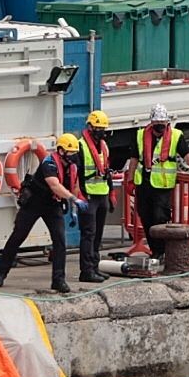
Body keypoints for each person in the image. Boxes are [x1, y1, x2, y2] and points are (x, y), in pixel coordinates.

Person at [0, 134, 87, 294]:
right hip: (34, 203)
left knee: (59, 240)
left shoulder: (73, 166)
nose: (74, 156)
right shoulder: (48, 162)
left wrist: (74, 208)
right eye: (71, 152)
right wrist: (73, 199)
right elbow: (55, 185)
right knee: (18, 236)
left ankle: (58, 280)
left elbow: (74, 185)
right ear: (61, 151)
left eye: (75, 152)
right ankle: (1, 272)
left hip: (53, 204)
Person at [130, 103, 189, 259]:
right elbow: (134, 158)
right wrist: (130, 179)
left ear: (167, 123)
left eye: (162, 124)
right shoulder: (140, 135)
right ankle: (155, 251)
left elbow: (186, 154)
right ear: (151, 123)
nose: (160, 127)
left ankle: (162, 251)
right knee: (145, 216)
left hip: (163, 185)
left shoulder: (176, 136)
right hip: (144, 183)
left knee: (160, 217)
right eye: (157, 124)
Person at [76, 110, 113, 285]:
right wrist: (81, 195)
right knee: (88, 234)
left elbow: (107, 171)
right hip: (88, 195)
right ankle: (86, 270)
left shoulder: (104, 146)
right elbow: (76, 174)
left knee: (97, 234)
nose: (100, 131)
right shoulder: (81, 146)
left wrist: (111, 193)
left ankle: (95, 266)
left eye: (103, 129)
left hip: (102, 193)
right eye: (97, 128)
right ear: (90, 127)